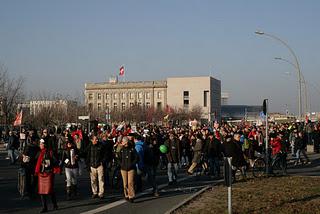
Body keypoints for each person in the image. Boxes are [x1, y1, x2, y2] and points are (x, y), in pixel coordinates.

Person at [35, 139, 58, 213]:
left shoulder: (50, 152)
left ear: (44, 144)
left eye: (41, 144)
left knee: (50, 190)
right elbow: (35, 161)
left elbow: (55, 161)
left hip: (48, 173)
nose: (40, 145)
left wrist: (49, 163)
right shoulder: (39, 152)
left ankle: (55, 204)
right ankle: (44, 207)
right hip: (41, 173)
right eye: (40, 144)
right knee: (41, 191)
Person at [118, 136, 138, 203]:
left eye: (126, 142)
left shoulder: (132, 149)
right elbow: (118, 158)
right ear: (122, 142)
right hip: (123, 168)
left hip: (131, 168)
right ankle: (126, 195)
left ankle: (131, 196)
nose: (126, 144)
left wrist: (132, 164)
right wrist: (121, 164)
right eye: (124, 143)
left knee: (130, 182)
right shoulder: (121, 149)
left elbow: (136, 158)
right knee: (125, 183)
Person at [85, 134, 106, 199]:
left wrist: (103, 161)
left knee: (101, 179)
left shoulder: (101, 145)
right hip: (92, 165)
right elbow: (85, 154)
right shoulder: (89, 146)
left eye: (97, 139)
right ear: (91, 140)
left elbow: (105, 154)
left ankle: (101, 193)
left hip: (99, 165)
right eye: (95, 139)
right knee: (93, 180)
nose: (96, 140)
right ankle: (95, 192)